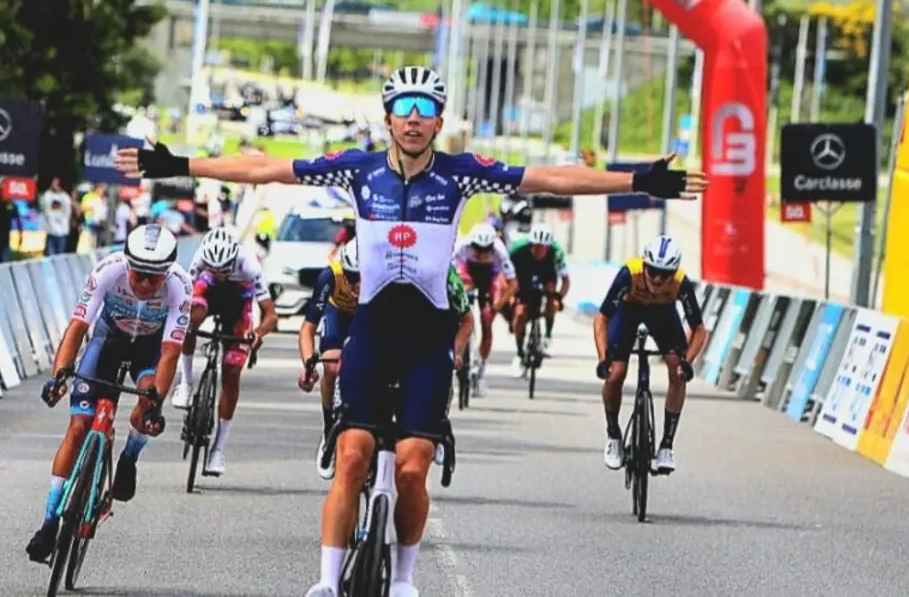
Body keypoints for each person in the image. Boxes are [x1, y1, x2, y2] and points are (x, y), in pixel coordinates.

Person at [113, 65, 705, 597]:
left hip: (427, 339)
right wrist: (178, 165)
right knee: (351, 457)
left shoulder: (461, 175)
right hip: (371, 331)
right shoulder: (356, 169)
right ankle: (324, 580)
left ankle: (402, 579)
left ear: (440, 121)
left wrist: (640, 180)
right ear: (388, 116)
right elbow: (264, 168)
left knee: (413, 467)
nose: (415, 120)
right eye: (405, 109)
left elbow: (551, 177)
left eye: (427, 111)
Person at [25, 224, 190, 563]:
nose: (144, 284)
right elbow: (78, 327)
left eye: (153, 278)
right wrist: (60, 376)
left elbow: (171, 353)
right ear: (127, 264)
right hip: (108, 340)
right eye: (138, 275)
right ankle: (48, 523)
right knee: (77, 427)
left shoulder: (180, 287)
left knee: (146, 404)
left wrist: (155, 406)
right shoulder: (108, 270)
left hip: (149, 348)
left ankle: (129, 458)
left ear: (167, 273)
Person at [593, 235, 709, 475]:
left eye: (664, 274)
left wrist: (689, 362)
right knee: (615, 375)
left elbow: (699, 330)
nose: (657, 279)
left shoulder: (681, 282)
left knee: (677, 371)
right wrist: (603, 358)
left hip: (662, 313)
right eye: (653, 271)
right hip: (628, 311)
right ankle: (613, 434)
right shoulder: (629, 274)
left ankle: (666, 445)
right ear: (645, 266)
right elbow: (601, 319)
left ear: (674, 272)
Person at [171, 227, 277, 476]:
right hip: (208, 296)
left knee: (231, 373)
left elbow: (271, 315)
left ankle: (217, 449)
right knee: (189, 319)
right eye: (213, 269)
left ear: (233, 261)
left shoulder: (249, 265)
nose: (218, 274)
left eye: (224, 270)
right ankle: (186, 383)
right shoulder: (200, 260)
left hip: (238, 302)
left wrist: (258, 334)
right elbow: (182, 298)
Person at [298, 239, 361, 479]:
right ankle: (329, 430)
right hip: (338, 316)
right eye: (351, 276)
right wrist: (308, 365)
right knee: (332, 366)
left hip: (365, 318)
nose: (355, 283)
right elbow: (308, 328)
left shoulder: (382, 279)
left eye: (360, 277)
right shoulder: (330, 276)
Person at [452, 223, 516, 396]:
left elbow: (513, 284)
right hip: (468, 274)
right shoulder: (461, 246)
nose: (481, 254)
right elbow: (447, 273)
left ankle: (480, 374)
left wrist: (497, 306)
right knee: (461, 296)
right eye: (477, 249)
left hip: (490, 276)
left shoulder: (500, 251)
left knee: (487, 321)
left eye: (486, 250)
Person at [505, 225, 570, 373]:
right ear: (531, 244)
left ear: (548, 247)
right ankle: (520, 353)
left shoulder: (556, 252)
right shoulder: (517, 250)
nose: (539, 251)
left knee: (552, 301)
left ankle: (547, 337)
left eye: (543, 248)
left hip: (547, 275)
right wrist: (511, 297)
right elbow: (506, 276)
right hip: (524, 277)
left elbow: (565, 279)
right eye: (536, 247)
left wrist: (559, 298)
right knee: (520, 313)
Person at [40, 178, 74, 256]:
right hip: (51, 231)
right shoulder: (47, 195)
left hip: (62, 231)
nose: (54, 186)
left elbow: (67, 211)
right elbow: (44, 207)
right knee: (49, 255)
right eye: (53, 183)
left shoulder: (65, 197)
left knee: (60, 255)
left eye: (56, 184)